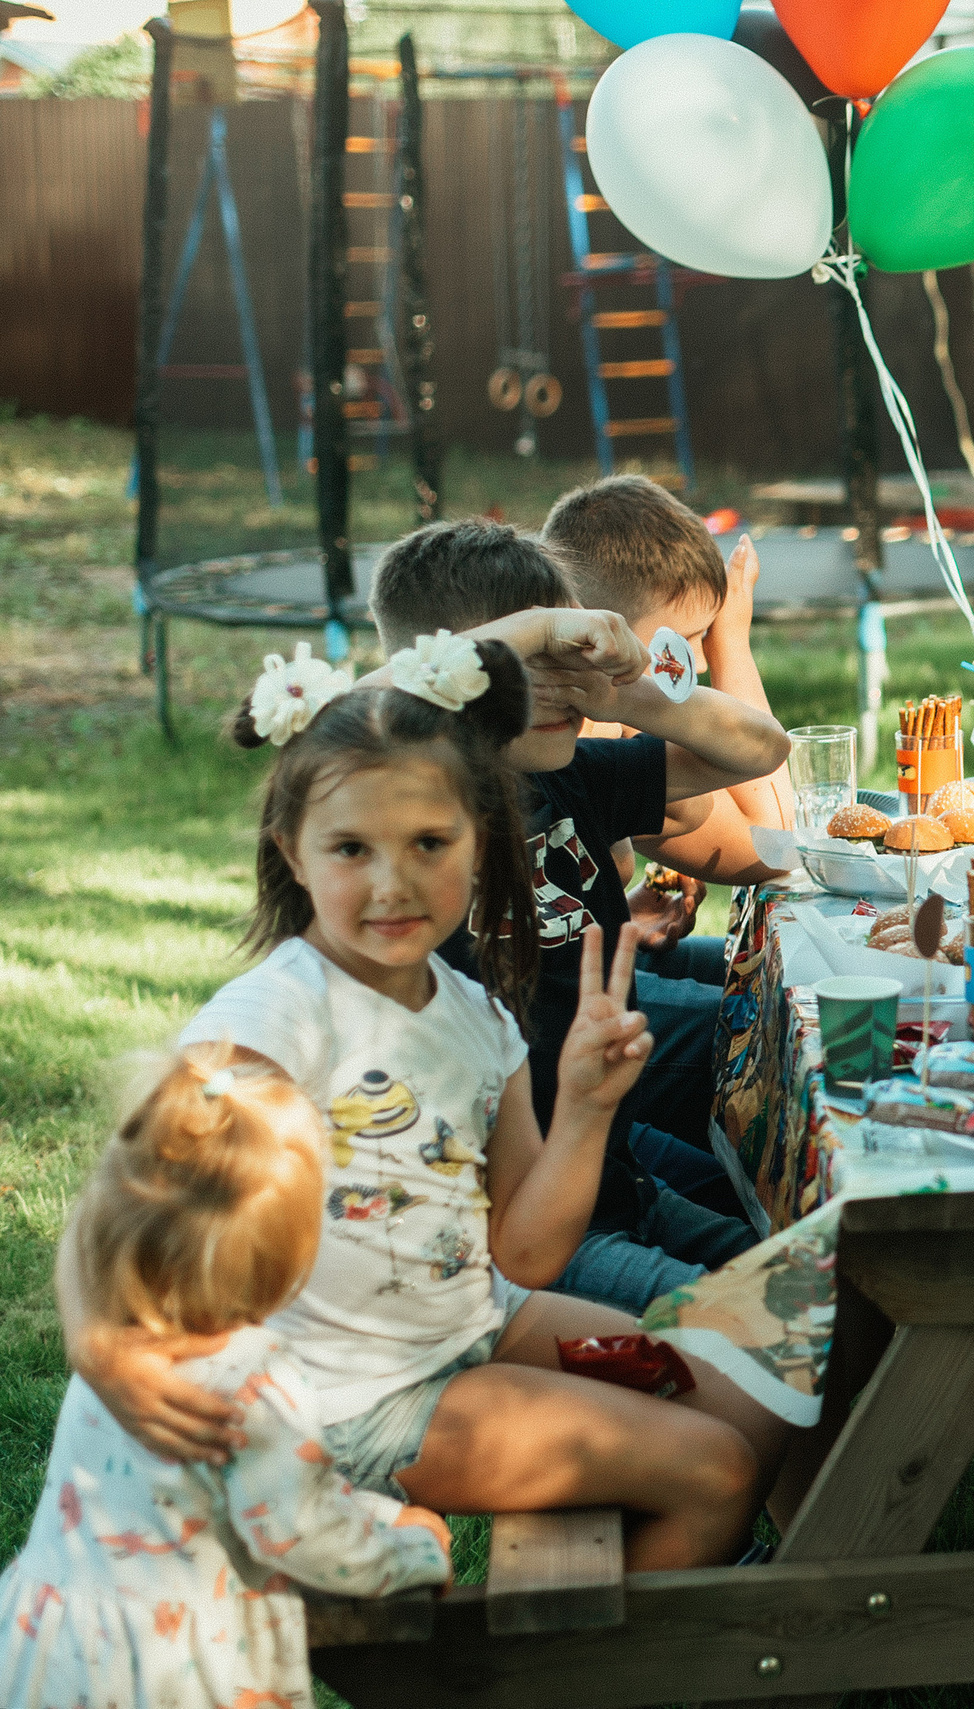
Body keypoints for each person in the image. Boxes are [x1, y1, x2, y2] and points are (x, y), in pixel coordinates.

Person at [60, 641, 804, 1570]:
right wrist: (105, 1349)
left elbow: (527, 1250)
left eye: (429, 843)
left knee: (757, 1379)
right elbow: (116, 1210)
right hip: (351, 1390)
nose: (393, 882)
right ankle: (603, 1675)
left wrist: (582, 1109)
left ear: (481, 840)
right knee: (716, 1467)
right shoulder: (278, 1018)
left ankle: (648, 1625)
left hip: (475, 1315)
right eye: (351, 848)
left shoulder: (475, 1016)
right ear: (292, 851)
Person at [367, 519, 790, 1313]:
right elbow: (357, 711)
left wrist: (626, 690)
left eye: (567, 663)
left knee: (812, 1278)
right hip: (525, 1226)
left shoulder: (572, 775)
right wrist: (529, 635)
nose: (559, 687)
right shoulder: (404, 813)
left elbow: (758, 749)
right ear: (448, 676)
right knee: (763, 1329)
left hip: (612, 1168)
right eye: (532, 667)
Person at [3, 1048, 451, 1709]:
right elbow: (298, 1531)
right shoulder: (255, 1381)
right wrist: (413, 1546)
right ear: (289, 1261)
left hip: (53, 1644)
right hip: (175, 1672)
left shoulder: (118, 1349)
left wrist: (377, 1508)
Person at [542, 474, 792, 984]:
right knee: (756, 999)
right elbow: (773, 842)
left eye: (705, 639)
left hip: (593, 959)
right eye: (685, 641)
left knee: (766, 972)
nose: (697, 663)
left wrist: (623, 911)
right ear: (598, 629)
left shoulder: (614, 729)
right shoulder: (568, 740)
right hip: (563, 1011)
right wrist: (731, 645)